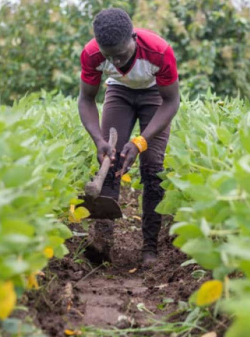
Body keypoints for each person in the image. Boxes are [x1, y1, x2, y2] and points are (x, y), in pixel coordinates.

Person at [77, 8, 180, 267]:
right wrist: (98, 140)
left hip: (155, 95)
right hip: (119, 94)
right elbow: (86, 99)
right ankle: (102, 242)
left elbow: (171, 101)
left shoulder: (159, 52)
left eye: (121, 55)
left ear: (133, 37)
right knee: (110, 161)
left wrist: (140, 142)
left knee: (153, 168)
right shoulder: (91, 54)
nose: (117, 63)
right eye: (109, 57)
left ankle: (150, 249)